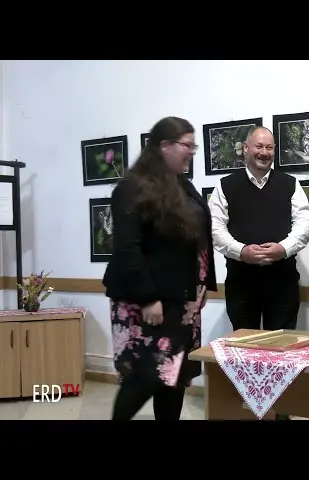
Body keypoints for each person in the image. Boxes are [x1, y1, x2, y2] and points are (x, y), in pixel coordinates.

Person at [103, 116, 218, 420]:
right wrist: (147, 298)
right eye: (187, 145)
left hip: (182, 300)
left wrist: (203, 282)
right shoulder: (132, 188)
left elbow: (200, 237)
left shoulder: (183, 186)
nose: (192, 151)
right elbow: (128, 248)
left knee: (175, 377)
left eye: (194, 145)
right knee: (145, 378)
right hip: (145, 302)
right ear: (164, 146)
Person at [209, 125, 309, 332]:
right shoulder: (225, 185)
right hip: (241, 284)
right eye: (258, 146)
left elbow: (305, 223)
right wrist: (241, 252)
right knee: (244, 348)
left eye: (269, 148)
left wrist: (283, 248)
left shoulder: (290, 184)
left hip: (282, 283)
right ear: (246, 148)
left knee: (282, 347)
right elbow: (214, 227)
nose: (264, 153)